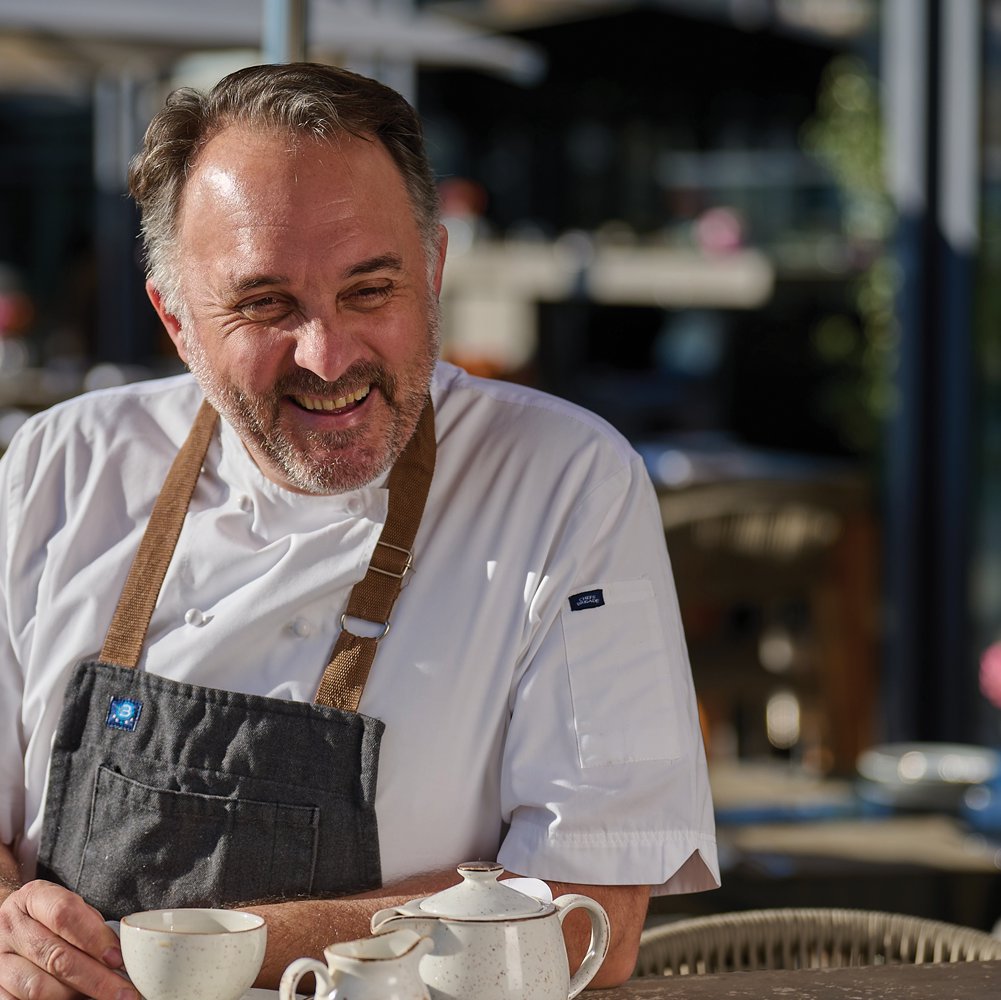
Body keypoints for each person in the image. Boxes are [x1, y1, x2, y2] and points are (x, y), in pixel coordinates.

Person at [0, 63, 719, 1000]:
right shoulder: (62, 465)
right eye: (265, 304)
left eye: (370, 290)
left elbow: (593, 918)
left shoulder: (563, 481)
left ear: (432, 271)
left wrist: (192, 952)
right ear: (176, 321)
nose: (328, 355)